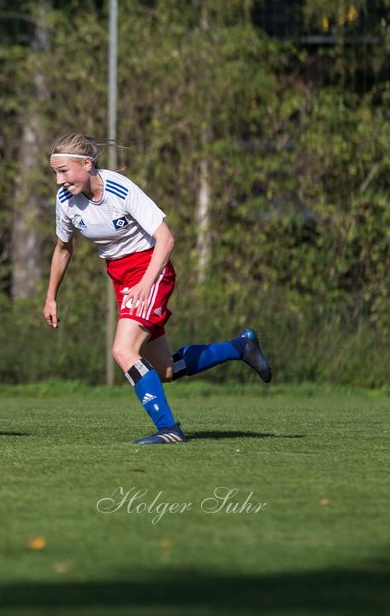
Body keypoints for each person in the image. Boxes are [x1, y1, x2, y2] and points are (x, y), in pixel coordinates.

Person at [42, 133, 273, 445]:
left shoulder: (120, 190)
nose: (58, 180)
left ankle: (169, 429)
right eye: (55, 173)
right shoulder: (66, 202)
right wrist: (51, 296)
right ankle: (239, 347)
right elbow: (63, 248)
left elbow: (166, 239)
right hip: (121, 275)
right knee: (164, 370)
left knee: (123, 351)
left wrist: (145, 283)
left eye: (63, 171)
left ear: (86, 163)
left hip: (151, 268)